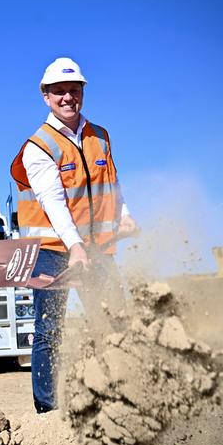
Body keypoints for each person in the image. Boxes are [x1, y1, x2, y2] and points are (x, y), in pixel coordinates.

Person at [10, 58, 137, 413]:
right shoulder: (39, 146)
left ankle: (119, 397)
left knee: (113, 322)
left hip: (98, 248)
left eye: (74, 90)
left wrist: (125, 216)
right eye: (60, 92)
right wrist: (75, 246)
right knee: (50, 330)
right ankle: (48, 410)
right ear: (46, 97)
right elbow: (54, 203)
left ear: (82, 92)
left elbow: (113, 185)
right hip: (53, 250)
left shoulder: (101, 136)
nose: (68, 97)